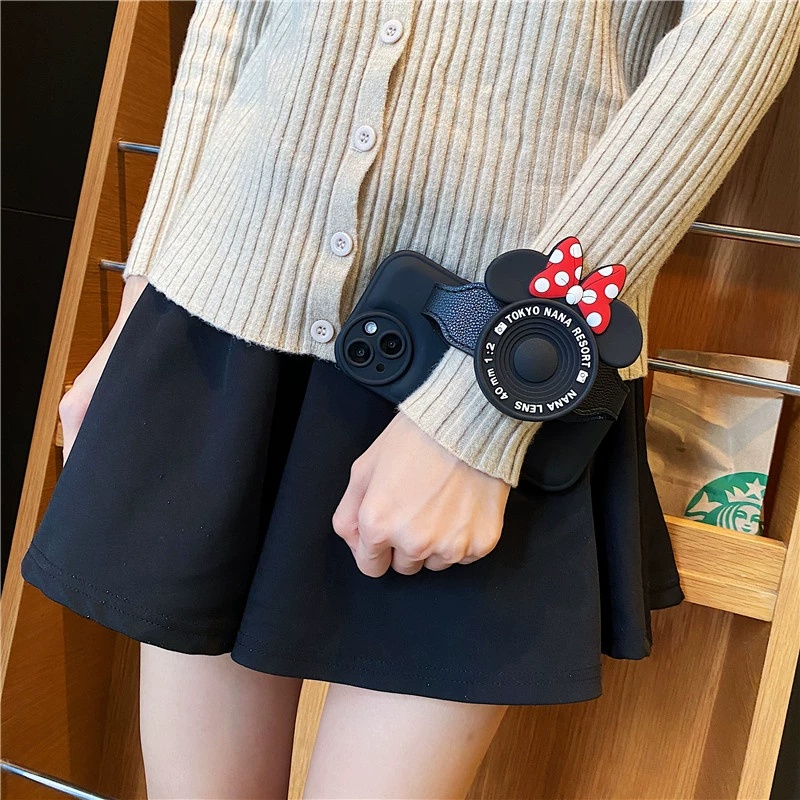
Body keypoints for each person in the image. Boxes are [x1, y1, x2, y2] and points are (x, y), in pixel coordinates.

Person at [20, 1, 800, 798]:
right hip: (224, 323)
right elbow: (232, 17)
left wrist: (483, 412)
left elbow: (743, 33)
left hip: (493, 345)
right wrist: (141, 309)